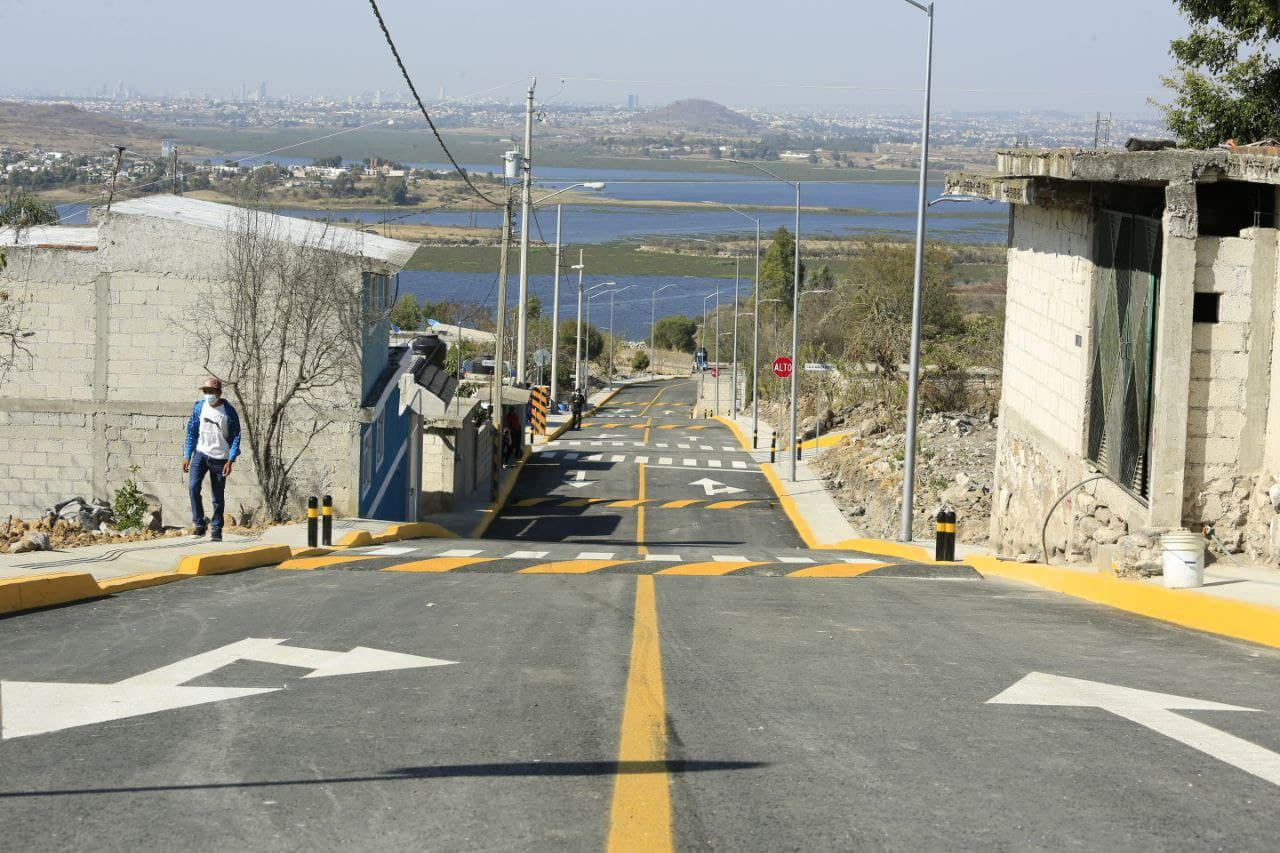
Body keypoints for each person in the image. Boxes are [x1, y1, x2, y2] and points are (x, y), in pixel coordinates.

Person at [182, 376, 240, 541]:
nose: (208, 395)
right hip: (200, 455)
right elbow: (192, 432)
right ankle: (199, 525)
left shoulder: (228, 411)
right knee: (193, 487)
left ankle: (216, 529)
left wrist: (230, 459)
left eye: (211, 392)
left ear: (219, 392)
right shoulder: (200, 407)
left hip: (220, 458)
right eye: (205, 392)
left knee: (217, 497)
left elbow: (236, 436)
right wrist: (187, 455)